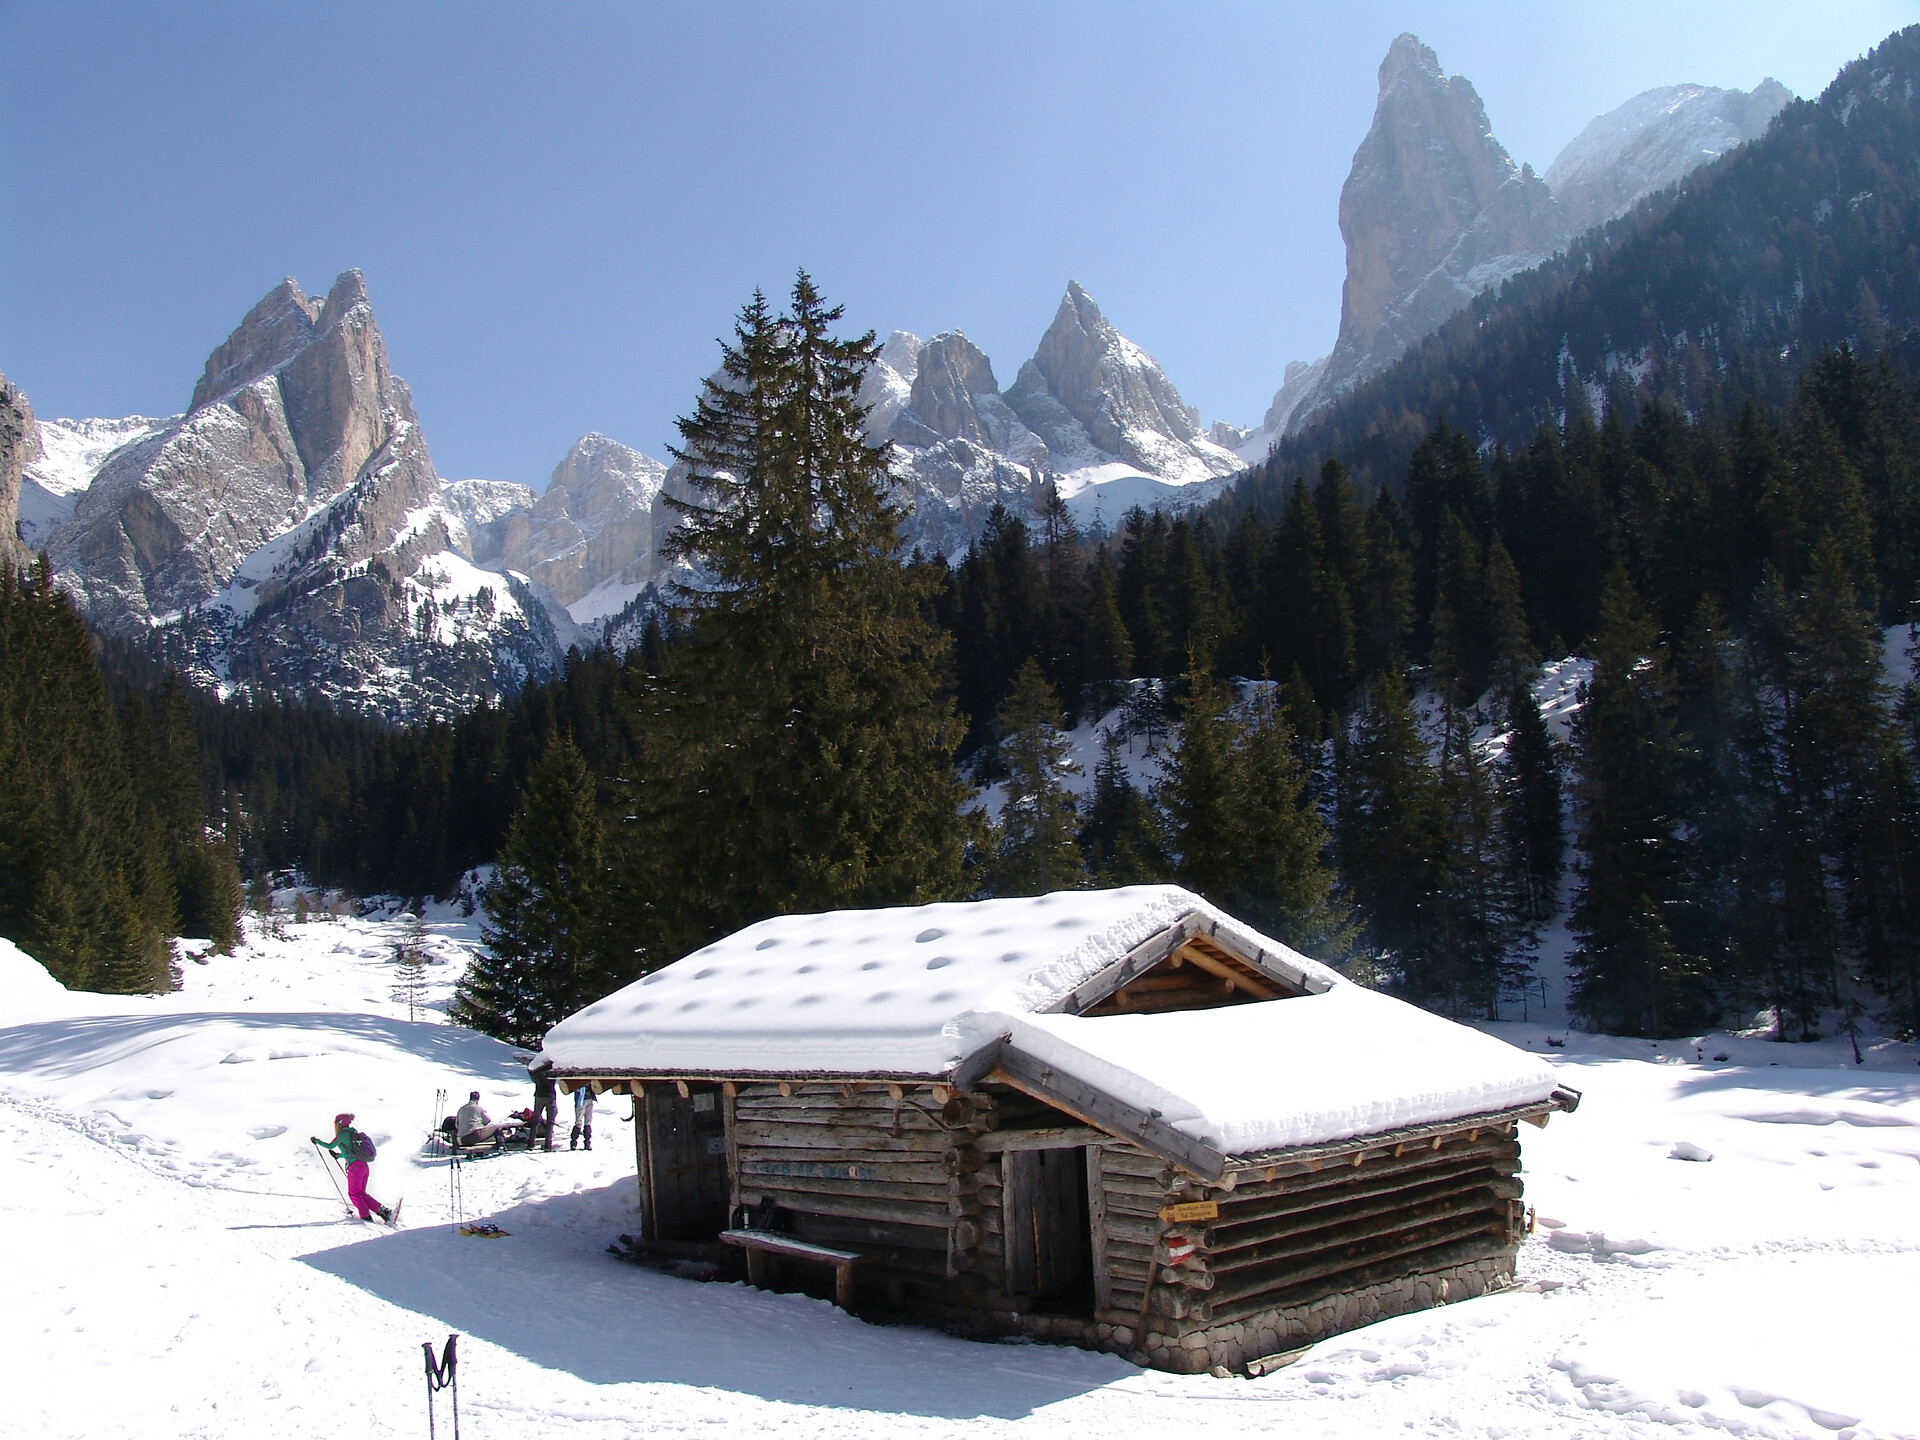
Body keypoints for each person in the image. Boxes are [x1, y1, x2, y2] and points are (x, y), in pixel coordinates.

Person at [313, 1113, 392, 1222]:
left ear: (340, 1123)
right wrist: (338, 1156)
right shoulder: (353, 1133)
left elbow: (330, 1146)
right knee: (362, 1194)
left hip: (355, 1168)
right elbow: (351, 1151)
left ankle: (366, 1218)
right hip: (364, 1166)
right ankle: (384, 1212)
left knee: (354, 1194)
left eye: (336, 1122)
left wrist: (317, 1141)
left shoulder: (342, 1134)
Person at [529, 1059, 559, 1151]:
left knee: (535, 1120)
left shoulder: (537, 1067)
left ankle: (531, 1144)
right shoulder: (553, 1067)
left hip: (539, 1095)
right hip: (550, 1096)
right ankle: (548, 1145)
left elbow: (531, 1072)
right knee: (550, 1122)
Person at [570, 1084, 595, 1151]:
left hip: (589, 1098)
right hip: (580, 1100)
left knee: (588, 1122)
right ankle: (573, 1143)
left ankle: (587, 1143)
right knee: (578, 1122)